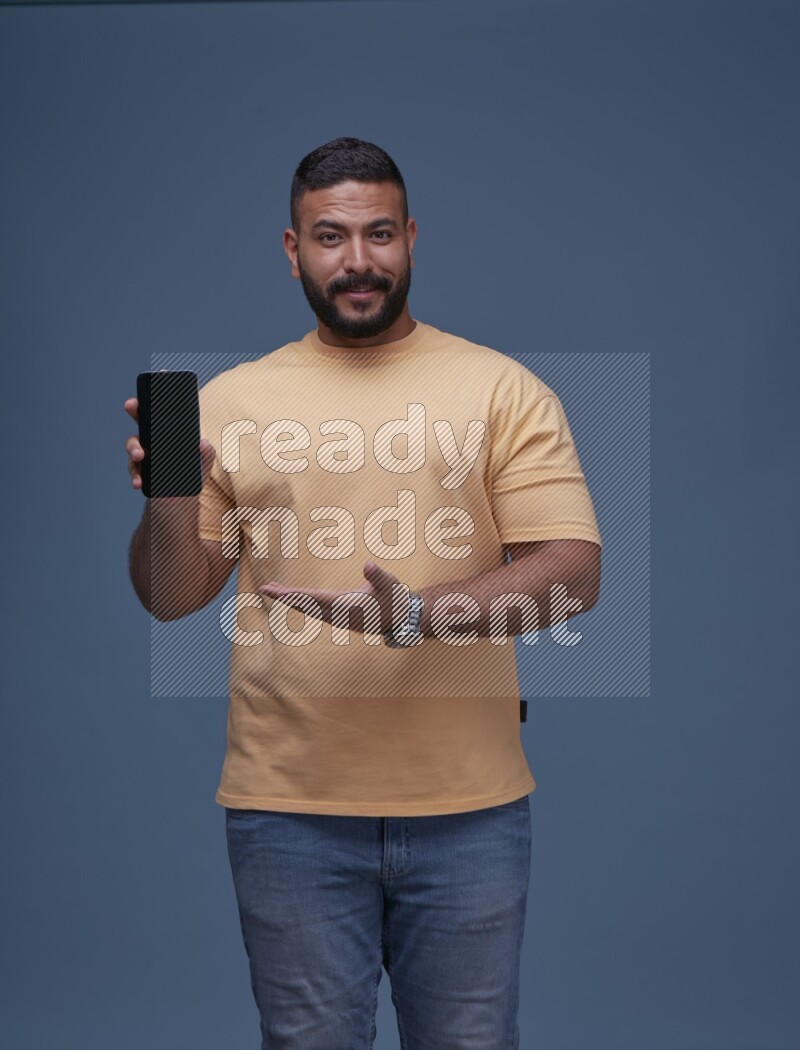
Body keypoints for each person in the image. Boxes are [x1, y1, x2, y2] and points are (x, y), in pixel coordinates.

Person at [125, 137, 602, 1050]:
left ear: (413, 237)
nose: (357, 261)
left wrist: (422, 616)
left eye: (378, 233)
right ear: (292, 249)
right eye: (330, 236)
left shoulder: (502, 390)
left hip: (471, 811)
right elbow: (171, 596)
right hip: (288, 813)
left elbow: (574, 576)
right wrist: (168, 500)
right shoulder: (228, 403)